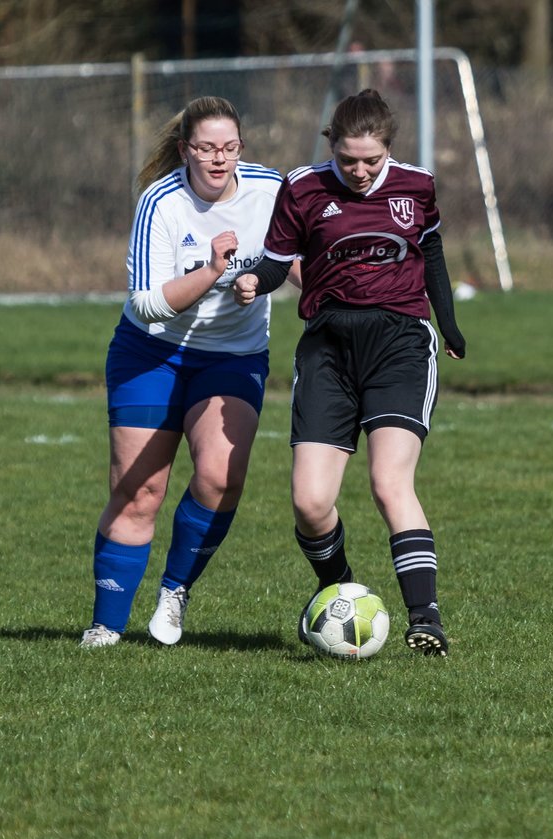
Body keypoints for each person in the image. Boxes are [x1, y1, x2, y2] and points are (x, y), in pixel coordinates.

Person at [234, 89, 466, 657]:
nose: (359, 171)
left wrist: (450, 323)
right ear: (331, 147)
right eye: (347, 160)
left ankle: (425, 618)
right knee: (311, 503)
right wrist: (253, 283)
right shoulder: (303, 187)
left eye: (371, 159)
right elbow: (274, 261)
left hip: (400, 345)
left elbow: (430, 252)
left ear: (389, 148)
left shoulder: (418, 185)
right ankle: (337, 591)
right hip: (328, 349)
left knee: (390, 484)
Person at [81, 96, 291, 648]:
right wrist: (217, 270)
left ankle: (174, 592)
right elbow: (148, 304)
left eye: (229, 147)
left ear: (241, 146)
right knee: (140, 492)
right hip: (151, 352)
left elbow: (295, 258)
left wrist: (288, 281)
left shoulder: (271, 190)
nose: (219, 159)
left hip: (235, 356)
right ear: (184, 150)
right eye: (205, 148)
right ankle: (106, 626)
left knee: (222, 476)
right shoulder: (162, 201)